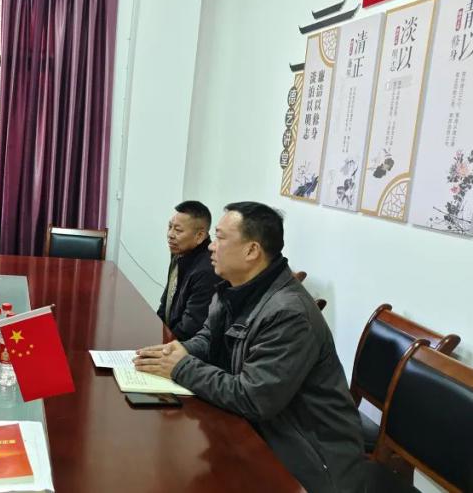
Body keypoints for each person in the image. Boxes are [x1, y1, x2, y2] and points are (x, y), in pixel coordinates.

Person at [134, 202, 365, 493]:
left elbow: (253, 397)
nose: (211, 246)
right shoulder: (232, 287)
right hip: (261, 431)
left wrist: (181, 367)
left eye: (220, 238)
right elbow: (208, 339)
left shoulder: (290, 314)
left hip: (310, 458)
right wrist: (178, 351)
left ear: (252, 251)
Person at [156, 200, 221, 341]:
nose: (170, 234)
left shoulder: (208, 270)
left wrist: (164, 346)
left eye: (178, 230)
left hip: (185, 347)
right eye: (170, 227)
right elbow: (166, 303)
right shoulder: (179, 253)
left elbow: (191, 327)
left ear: (199, 236)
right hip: (169, 339)